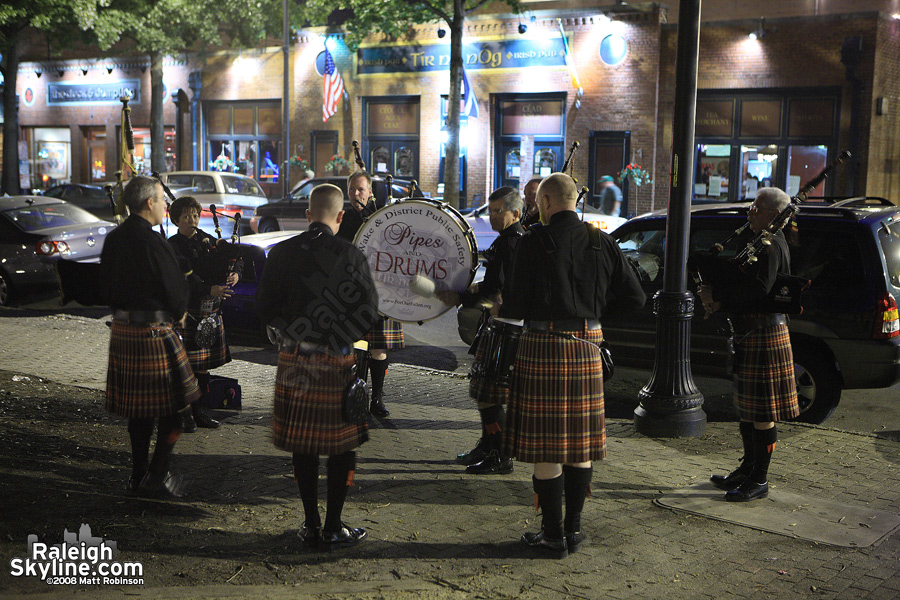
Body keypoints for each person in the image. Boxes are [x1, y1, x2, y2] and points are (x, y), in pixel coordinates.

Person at [501, 173, 645, 557]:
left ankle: (552, 536)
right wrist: (595, 313)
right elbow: (636, 298)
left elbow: (514, 308)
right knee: (579, 446)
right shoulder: (602, 240)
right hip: (587, 347)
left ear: (546, 202)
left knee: (547, 448)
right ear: (574, 200)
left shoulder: (533, 242)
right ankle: (574, 531)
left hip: (544, 345)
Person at [256, 183, 380, 550]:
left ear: (308, 215)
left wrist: (291, 326)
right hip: (335, 358)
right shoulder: (350, 255)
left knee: (303, 447)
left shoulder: (281, 253)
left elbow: (263, 308)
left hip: (295, 357)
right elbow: (368, 313)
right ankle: (333, 526)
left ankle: (310, 524)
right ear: (340, 216)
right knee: (342, 448)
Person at [100, 176, 202, 498]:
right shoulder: (155, 243)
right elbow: (175, 292)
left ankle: (137, 475)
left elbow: (105, 287)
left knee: (140, 411)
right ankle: (157, 475)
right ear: (149, 203)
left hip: (123, 331)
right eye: (162, 200)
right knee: (175, 408)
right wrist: (180, 311)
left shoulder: (114, 239)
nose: (165, 206)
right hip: (154, 333)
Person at [699, 187, 799, 502]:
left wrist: (718, 299)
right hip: (751, 332)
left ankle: (759, 478)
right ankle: (747, 468)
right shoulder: (757, 242)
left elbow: (758, 289)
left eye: (756, 207)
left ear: (772, 214)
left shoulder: (772, 245)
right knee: (748, 409)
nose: (750, 211)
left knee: (763, 412)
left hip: (765, 332)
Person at [437, 187, 525, 475]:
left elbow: (495, 290)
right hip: (500, 325)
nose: (492, 216)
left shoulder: (513, 243)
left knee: (490, 397)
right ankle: (489, 445)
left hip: (507, 329)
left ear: (516, 213)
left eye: (498, 211)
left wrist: (461, 296)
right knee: (485, 394)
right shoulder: (509, 241)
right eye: (490, 210)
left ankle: (500, 453)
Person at [167, 196, 242, 432]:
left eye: (196, 215)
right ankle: (182, 415)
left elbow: (235, 259)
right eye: (187, 216)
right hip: (187, 312)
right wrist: (208, 289)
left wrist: (235, 274)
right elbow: (180, 279)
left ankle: (198, 412)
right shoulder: (172, 245)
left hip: (209, 311)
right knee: (183, 367)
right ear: (176, 220)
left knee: (201, 367)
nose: (192, 220)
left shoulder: (208, 241)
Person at [337, 170, 402, 419]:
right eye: (352, 189)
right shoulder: (343, 219)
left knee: (379, 348)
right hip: (352, 293)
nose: (355, 194)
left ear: (371, 191)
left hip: (381, 292)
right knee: (355, 346)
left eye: (360, 189)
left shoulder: (382, 216)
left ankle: (377, 398)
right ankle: (355, 396)